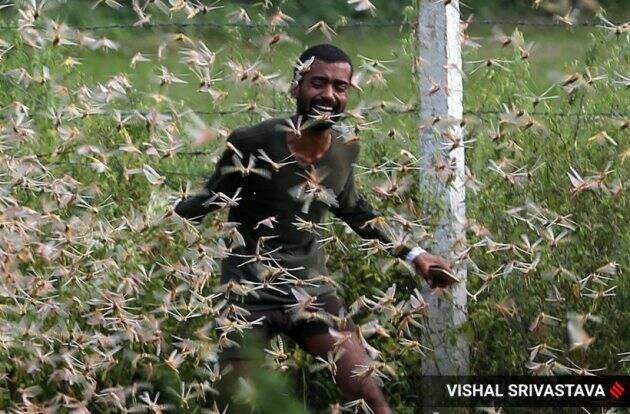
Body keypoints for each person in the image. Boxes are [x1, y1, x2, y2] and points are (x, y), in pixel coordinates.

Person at [174, 44, 456, 414]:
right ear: (296, 86)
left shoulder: (344, 149)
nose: (328, 95)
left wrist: (414, 254)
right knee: (240, 403)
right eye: (318, 83)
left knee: (369, 396)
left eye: (340, 87)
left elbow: (355, 210)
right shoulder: (250, 142)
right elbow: (212, 197)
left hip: (309, 288)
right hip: (247, 289)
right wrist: (166, 216)